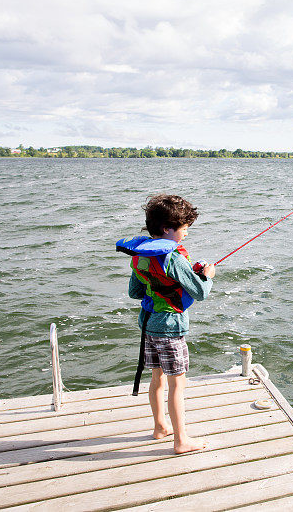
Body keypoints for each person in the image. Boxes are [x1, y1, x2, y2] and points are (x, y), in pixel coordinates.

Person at [116, 194, 215, 454]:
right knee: (177, 385)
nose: (185, 235)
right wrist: (208, 275)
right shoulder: (174, 258)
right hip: (170, 327)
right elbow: (200, 292)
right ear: (167, 229)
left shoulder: (139, 255)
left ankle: (160, 426)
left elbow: (135, 292)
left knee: (157, 378)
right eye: (183, 230)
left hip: (148, 324)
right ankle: (181, 441)